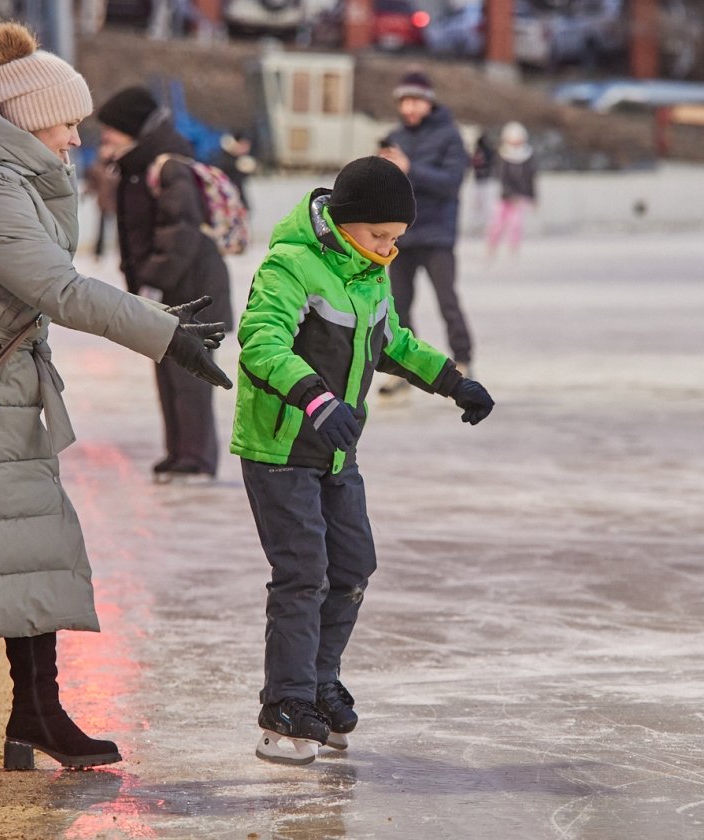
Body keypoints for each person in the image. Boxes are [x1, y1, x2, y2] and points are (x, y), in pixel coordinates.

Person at [0, 21, 232, 775]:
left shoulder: (4, 179)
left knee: (18, 554)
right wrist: (165, 335)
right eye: (65, 122)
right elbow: (58, 287)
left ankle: (31, 713)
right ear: (24, 119)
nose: (76, 139)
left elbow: (50, 262)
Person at [230, 156, 495, 765]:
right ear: (345, 223)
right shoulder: (291, 264)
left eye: (396, 238)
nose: (388, 249)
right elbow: (261, 342)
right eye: (379, 236)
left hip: (335, 449)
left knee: (352, 565)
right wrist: (317, 400)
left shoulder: (369, 271)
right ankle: (286, 703)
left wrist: (452, 381)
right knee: (303, 572)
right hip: (281, 447)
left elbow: (391, 340)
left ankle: (320, 683)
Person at [96, 85, 234, 484]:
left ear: (132, 129)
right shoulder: (135, 166)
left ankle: (197, 459)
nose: (105, 138)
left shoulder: (168, 166)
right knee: (168, 371)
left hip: (193, 289)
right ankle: (178, 453)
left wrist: (153, 282)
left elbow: (181, 232)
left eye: (111, 131)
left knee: (190, 375)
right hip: (166, 287)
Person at [377, 69, 473, 395]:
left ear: (429, 103)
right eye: (404, 101)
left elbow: (451, 183)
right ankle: (403, 370)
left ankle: (463, 361)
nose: (409, 108)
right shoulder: (397, 137)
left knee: (447, 301)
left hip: (437, 236)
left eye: (416, 101)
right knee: (398, 306)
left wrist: (410, 169)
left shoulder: (449, 136)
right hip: (401, 236)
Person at [486, 121, 538, 259]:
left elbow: (530, 178)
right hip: (503, 197)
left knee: (516, 224)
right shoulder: (502, 155)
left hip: (520, 197)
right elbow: (501, 177)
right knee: (497, 224)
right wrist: (509, 194)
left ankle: (513, 248)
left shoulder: (528, 155)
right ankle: (492, 246)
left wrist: (532, 197)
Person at [211, 129, 257, 210]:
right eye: (243, 145)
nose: (245, 149)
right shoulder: (224, 160)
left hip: (236, 203)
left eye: (247, 146)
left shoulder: (239, 160)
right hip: (226, 205)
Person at [469, 130, 495, 233]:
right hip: (479, 180)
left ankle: (487, 224)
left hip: (486, 180)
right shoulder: (478, 151)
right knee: (478, 204)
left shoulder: (487, 152)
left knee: (486, 203)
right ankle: (480, 224)